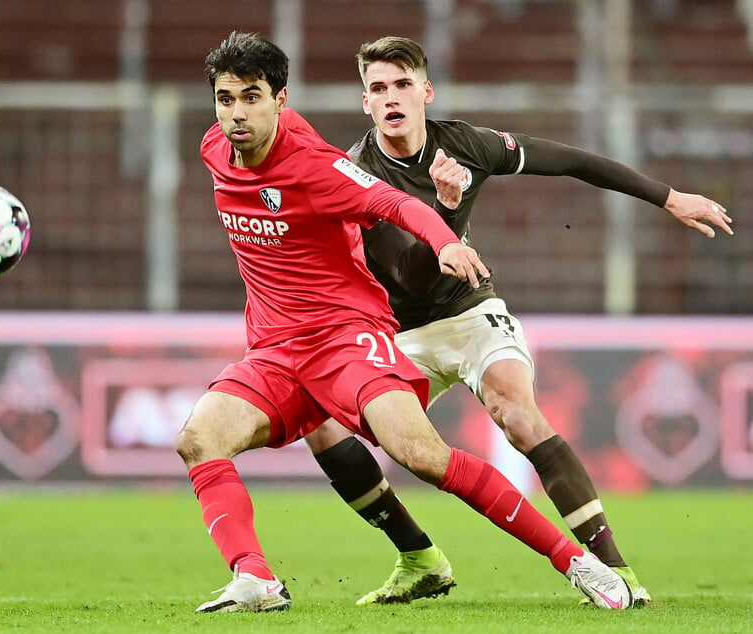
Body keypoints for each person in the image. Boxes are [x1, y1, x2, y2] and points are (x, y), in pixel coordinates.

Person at [176, 30, 635, 614]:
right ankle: (257, 579)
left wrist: (445, 240)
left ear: (280, 99)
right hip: (274, 351)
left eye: (252, 97)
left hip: (347, 339)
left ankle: (577, 561)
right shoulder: (214, 148)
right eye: (226, 98)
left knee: (422, 456)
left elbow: (399, 204)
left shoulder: (317, 168)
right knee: (198, 439)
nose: (237, 114)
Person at [304, 35, 735, 607]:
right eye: (378, 88)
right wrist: (448, 209)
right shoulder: (354, 175)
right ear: (365, 102)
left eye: (403, 84)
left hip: (469, 312)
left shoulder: (466, 146)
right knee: (321, 425)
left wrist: (668, 197)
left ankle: (616, 572)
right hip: (397, 330)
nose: (392, 98)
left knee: (517, 414)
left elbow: (573, 162)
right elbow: (410, 277)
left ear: (426, 91)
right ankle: (419, 558)